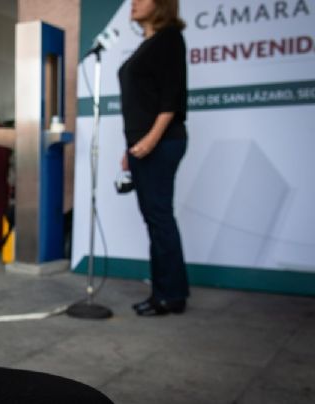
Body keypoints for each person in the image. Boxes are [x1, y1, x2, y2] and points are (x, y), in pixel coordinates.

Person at [118, 0, 189, 316]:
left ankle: (170, 295)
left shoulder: (169, 38)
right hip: (142, 145)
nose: (133, 3)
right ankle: (166, 291)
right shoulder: (147, 44)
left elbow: (171, 97)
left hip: (161, 143)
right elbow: (140, 105)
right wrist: (130, 148)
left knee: (160, 218)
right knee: (155, 219)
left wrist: (149, 139)